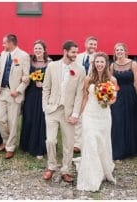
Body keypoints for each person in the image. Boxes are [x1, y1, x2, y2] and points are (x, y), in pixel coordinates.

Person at [42, 40, 85, 183]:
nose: (75, 54)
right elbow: (46, 88)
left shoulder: (80, 70)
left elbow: (80, 94)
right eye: (73, 52)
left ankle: (66, 169)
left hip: (69, 112)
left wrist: (75, 114)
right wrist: (45, 107)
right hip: (52, 110)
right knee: (51, 140)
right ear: (65, 51)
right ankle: (51, 166)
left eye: (76, 52)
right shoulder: (52, 66)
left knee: (69, 143)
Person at [76, 52, 117, 192]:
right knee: (90, 142)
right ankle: (92, 175)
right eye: (97, 62)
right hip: (89, 114)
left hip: (104, 114)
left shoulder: (112, 80)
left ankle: (103, 169)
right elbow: (85, 98)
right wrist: (78, 115)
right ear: (93, 63)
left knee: (103, 142)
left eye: (102, 62)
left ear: (106, 63)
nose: (99, 64)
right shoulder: (88, 79)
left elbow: (114, 99)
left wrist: (107, 100)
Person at [0, 34, 30, 159]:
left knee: (13, 121)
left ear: (11, 43)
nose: (3, 45)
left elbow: (27, 77)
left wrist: (19, 91)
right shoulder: (3, 54)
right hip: (2, 91)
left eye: (4, 43)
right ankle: (6, 140)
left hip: (14, 93)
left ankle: (10, 147)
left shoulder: (24, 56)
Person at [110, 43, 137, 160]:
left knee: (130, 120)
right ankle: (118, 149)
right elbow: (110, 82)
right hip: (117, 95)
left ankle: (131, 149)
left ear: (125, 51)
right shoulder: (112, 66)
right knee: (117, 120)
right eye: (117, 50)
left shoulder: (132, 63)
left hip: (130, 94)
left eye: (121, 50)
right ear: (115, 52)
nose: (119, 52)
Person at [20, 40, 51, 159]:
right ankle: (27, 145)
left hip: (43, 94)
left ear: (44, 49)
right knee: (29, 117)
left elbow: (53, 80)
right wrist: (24, 77)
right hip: (31, 93)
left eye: (40, 48)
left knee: (40, 119)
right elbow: (24, 73)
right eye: (36, 48)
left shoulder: (50, 63)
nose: (37, 51)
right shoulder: (29, 61)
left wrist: (43, 84)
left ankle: (39, 147)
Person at [74, 36, 98, 153]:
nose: (92, 46)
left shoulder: (99, 58)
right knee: (78, 114)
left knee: (91, 115)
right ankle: (77, 144)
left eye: (94, 44)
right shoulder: (77, 57)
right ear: (85, 44)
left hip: (92, 90)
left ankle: (90, 142)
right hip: (78, 89)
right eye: (90, 44)